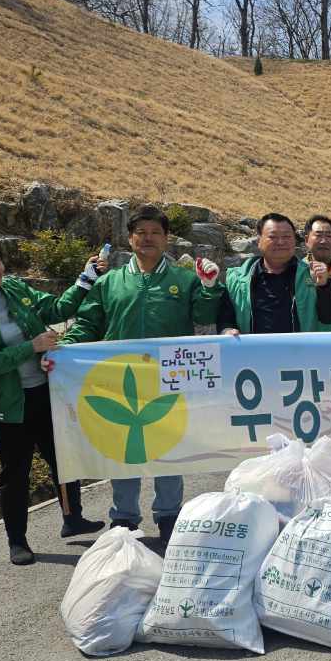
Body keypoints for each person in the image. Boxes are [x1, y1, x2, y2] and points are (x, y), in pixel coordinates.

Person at [59, 205, 223, 543]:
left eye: (155, 233)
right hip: (120, 380)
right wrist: (63, 352)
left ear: (166, 239)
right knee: (126, 450)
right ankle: (124, 518)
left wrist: (208, 287)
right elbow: (89, 324)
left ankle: (168, 515)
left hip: (169, 379)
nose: (148, 238)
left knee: (170, 449)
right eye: (141, 233)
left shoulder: (183, 279)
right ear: (130, 238)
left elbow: (204, 314)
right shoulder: (110, 282)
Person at [0, 237, 108, 565]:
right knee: (16, 473)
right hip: (9, 404)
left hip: (44, 390)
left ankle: (72, 518)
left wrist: (85, 279)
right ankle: (17, 540)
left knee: (63, 457)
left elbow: (56, 309)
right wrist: (30, 347)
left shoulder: (14, 288)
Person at [218, 213, 311, 335]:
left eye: (287, 236)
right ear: (258, 241)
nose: (281, 242)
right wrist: (227, 330)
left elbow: (330, 317)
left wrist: (325, 287)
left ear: (295, 241)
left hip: (303, 352)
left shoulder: (312, 276)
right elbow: (225, 319)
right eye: (273, 237)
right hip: (254, 352)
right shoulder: (236, 279)